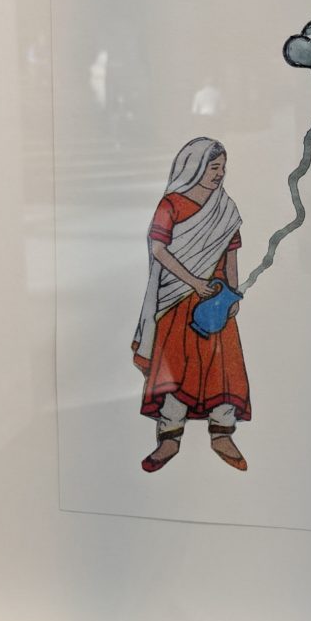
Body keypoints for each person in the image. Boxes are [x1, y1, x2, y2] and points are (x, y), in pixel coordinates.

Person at [132, 137, 250, 473]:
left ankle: (222, 434)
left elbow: (230, 252)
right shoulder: (170, 205)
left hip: (215, 300)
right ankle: (169, 437)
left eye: (222, 167)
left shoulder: (224, 207)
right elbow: (159, 250)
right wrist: (193, 282)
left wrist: (232, 293)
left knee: (222, 367)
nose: (219, 174)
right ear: (195, 167)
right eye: (214, 167)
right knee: (174, 366)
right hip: (177, 300)